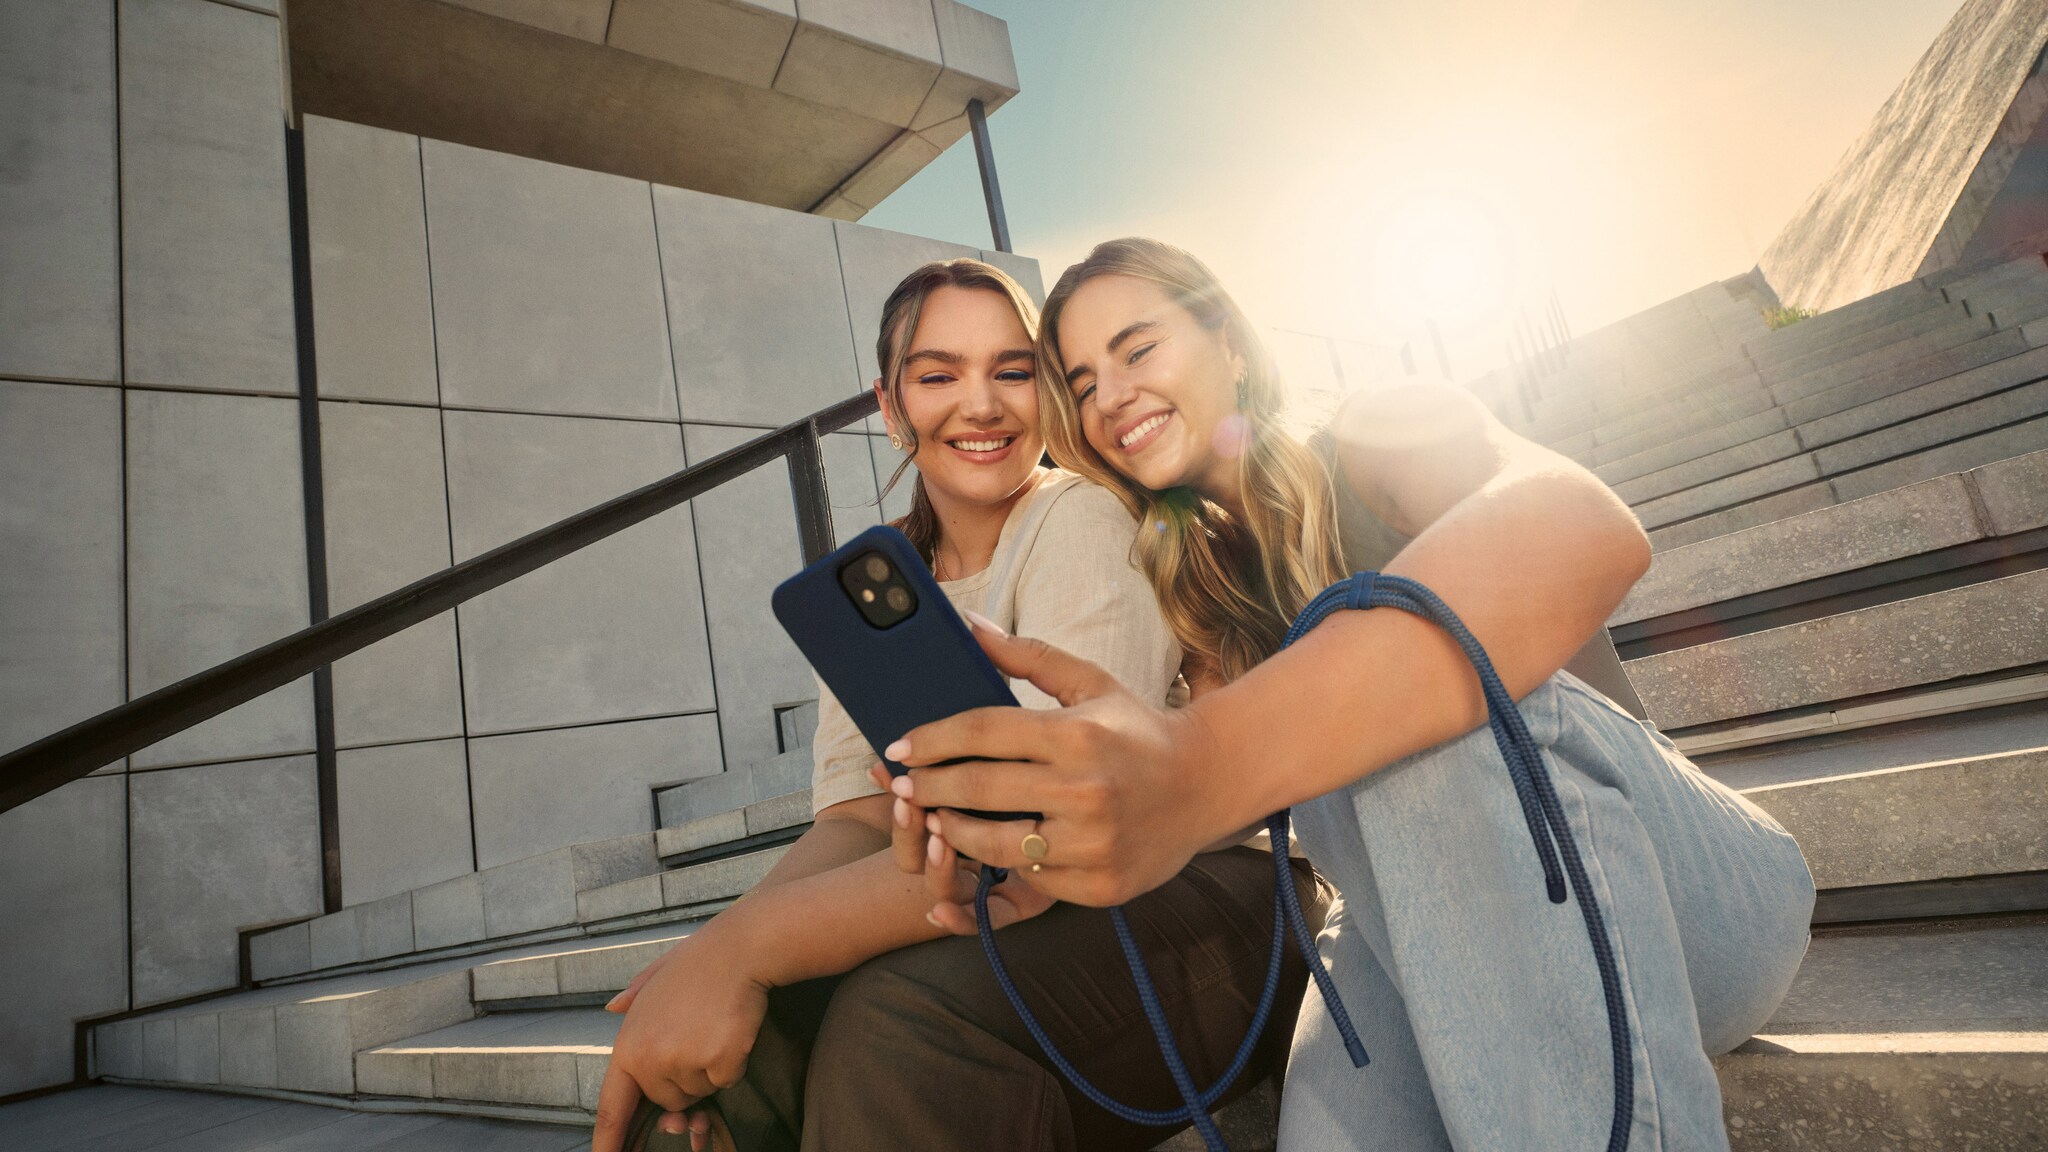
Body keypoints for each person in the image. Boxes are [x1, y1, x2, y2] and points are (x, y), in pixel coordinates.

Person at [885, 239, 1816, 1151]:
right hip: (1412, 928)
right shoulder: (1191, 584)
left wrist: (1202, 760)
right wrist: (1039, 846)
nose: (1112, 396)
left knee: (1409, 729)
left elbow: (1587, 523)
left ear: (1231, 345)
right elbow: (1196, 817)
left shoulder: (1378, 433)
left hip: (1662, 882)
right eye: (1082, 385)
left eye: (1138, 350)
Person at [593, 257, 1330, 1152]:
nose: (980, 405)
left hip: (1201, 892)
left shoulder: (1083, 517)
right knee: (724, 1074)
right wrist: (719, 953)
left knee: (894, 1024)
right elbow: (861, 819)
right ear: (892, 405)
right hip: (1021, 897)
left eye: (1013, 371)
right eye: (938, 375)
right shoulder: (879, 574)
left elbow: (1046, 827)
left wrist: (747, 951)